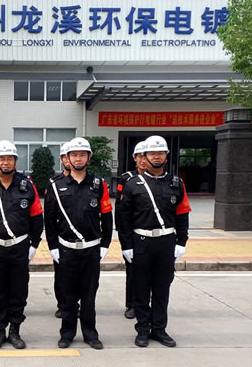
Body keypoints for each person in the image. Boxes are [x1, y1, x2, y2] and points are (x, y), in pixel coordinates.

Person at [118, 135, 191, 348]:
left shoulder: (176, 183)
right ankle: (142, 329)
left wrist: (181, 241)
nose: (156, 157)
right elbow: (123, 219)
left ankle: (159, 329)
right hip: (141, 242)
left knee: (162, 288)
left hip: (166, 242)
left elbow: (183, 214)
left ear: (166, 156)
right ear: (144, 156)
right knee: (141, 289)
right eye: (152, 153)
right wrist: (126, 246)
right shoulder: (132, 184)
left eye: (160, 153)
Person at [0, 140, 43, 350]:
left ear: (15, 161)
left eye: (9, 158)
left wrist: (34, 244)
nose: (5, 162)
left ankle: (15, 331)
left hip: (20, 247)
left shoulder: (27, 186)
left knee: (19, 291)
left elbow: (36, 217)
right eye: (1, 159)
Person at [44, 137, 113, 350]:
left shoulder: (99, 185)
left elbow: (107, 216)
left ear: (88, 158)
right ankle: (67, 333)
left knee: (89, 296)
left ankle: (90, 334)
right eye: (74, 155)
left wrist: (105, 244)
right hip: (67, 249)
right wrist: (53, 247)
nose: (78, 159)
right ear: (67, 158)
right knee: (68, 296)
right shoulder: (56, 186)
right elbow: (49, 220)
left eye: (82, 155)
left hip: (91, 249)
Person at [115, 141, 149, 320]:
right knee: (133, 271)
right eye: (139, 156)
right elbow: (120, 209)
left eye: (145, 156)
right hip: (134, 233)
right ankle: (132, 304)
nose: (143, 160)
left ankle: (147, 304)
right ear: (134, 158)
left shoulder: (162, 179)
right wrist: (123, 237)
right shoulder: (127, 179)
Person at [50, 142, 71, 319]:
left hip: (84, 242)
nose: (68, 160)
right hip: (62, 238)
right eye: (64, 157)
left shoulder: (92, 183)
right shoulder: (54, 183)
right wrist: (52, 245)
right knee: (61, 275)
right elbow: (49, 217)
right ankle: (63, 304)